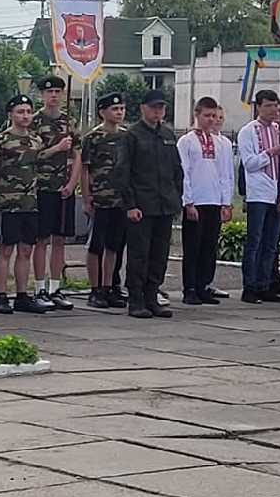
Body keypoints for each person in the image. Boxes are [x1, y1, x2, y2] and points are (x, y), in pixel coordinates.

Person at [112, 87, 183, 319]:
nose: (158, 111)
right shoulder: (132, 136)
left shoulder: (168, 134)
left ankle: (152, 297)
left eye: (161, 107)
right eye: (154, 107)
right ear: (143, 108)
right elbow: (123, 172)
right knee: (139, 255)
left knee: (159, 255)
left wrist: (177, 198)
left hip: (164, 204)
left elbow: (176, 170)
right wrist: (130, 205)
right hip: (142, 205)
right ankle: (136, 300)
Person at [0, 95, 48, 314]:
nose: (25, 116)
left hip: (29, 202)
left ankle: (22, 295)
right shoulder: (1, 140)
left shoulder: (36, 141)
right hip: (8, 202)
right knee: (6, 248)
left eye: (28, 111)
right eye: (20, 112)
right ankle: (1, 295)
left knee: (26, 249)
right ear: (11, 114)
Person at [236, 90, 280, 304]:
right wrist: (269, 153)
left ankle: (265, 284)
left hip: (277, 192)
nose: (274, 110)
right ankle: (249, 286)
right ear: (258, 107)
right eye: (268, 105)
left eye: (276, 105)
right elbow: (249, 164)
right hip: (258, 193)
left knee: (271, 243)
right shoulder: (248, 131)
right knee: (255, 241)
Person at [177, 96, 234, 306]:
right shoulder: (186, 141)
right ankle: (190, 288)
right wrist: (188, 202)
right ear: (197, 114)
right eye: (207, 115)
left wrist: (226, 202)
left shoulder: (220, 143)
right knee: (193, 246)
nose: (211, 119)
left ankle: (204, 285)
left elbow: (226, 173)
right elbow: (184, 172)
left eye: (213, 116)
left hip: (214, 200)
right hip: (196, 201)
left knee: (209, 247)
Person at [29, 76, 79, 309]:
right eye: (50, 92)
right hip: (42, 186)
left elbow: (78, 155)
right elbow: (31, 156)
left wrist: (72, 183)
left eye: (58, 91)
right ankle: (39, 287)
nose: (54, 96)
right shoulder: (34, 121)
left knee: (60, 239)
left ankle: (55, 287)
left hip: (63, 187)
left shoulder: (69, 121)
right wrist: (56, 148)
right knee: (42, 239)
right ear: (42, 95)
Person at [79, 92, 130, 308]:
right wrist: (86, 198)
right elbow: (85, 169)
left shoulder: (126, 137)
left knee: (114, 246)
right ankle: (95, 289)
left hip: (120, 200)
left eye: (121, 109)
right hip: (100, 199)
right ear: (102, 112)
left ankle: (109, 286)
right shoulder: (93, 138)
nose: (119, 113)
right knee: (96, 246)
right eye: (114, 109)